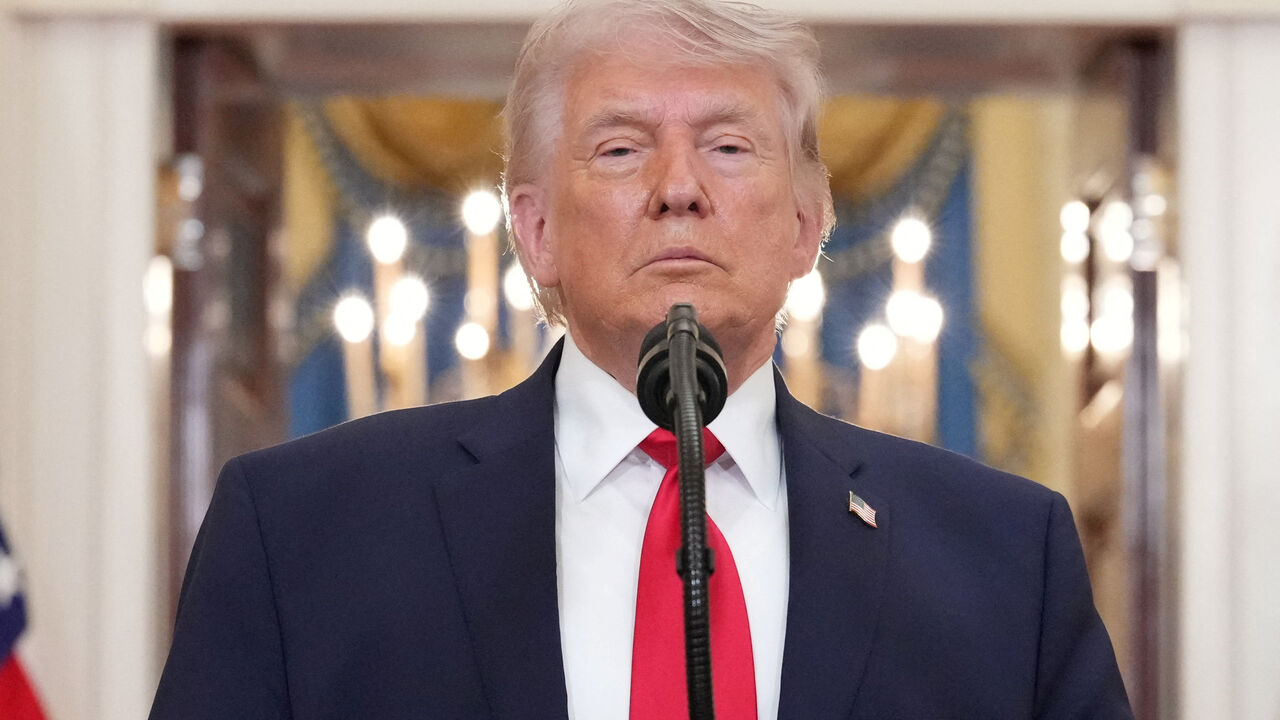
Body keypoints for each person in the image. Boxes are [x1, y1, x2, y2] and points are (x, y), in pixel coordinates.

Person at [149, 1, 1134, 718]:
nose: (677, 188)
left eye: (730, 149)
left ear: (806, 223)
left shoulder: (1004, 560)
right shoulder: (300, 535)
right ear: (532, 231)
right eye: (620, 150)